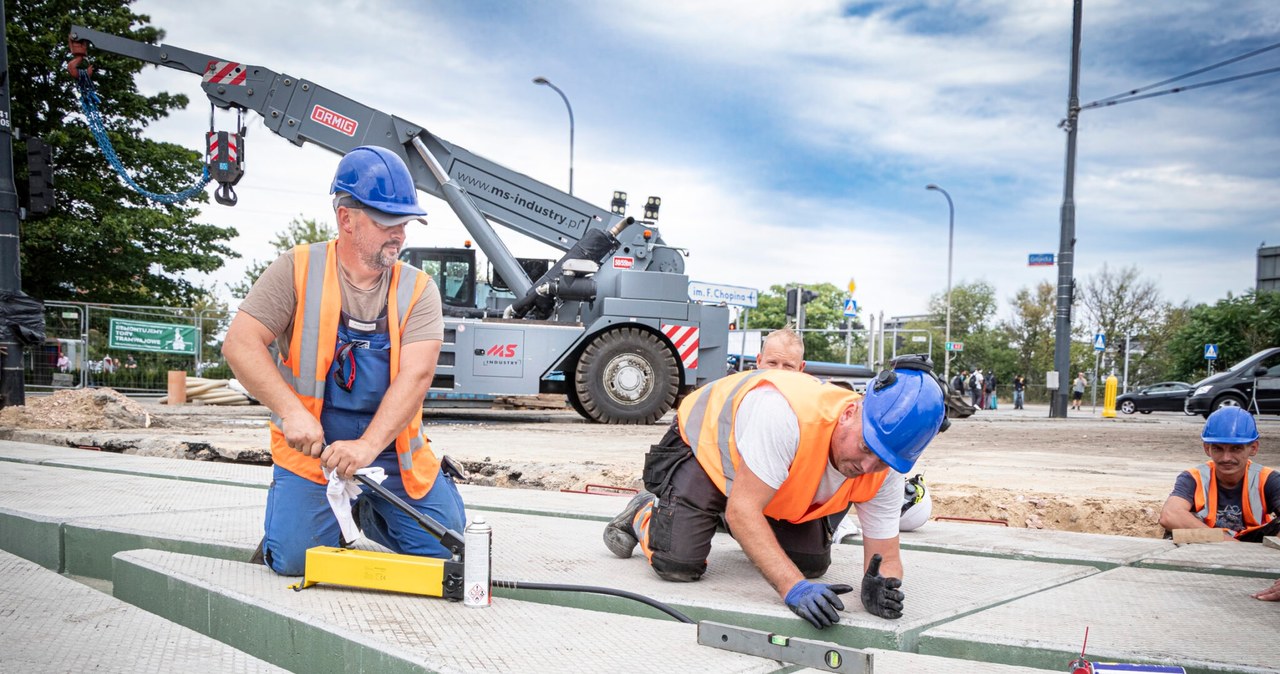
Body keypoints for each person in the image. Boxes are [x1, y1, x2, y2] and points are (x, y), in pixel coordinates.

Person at [223, 145, 465, 576]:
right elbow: (240, 344)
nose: (399, 234)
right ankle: (309, 514)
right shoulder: (295, 269)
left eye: (404, 222)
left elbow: (417, 374)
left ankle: (365, 508)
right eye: (386, 221)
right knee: (298, 561)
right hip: (312, 447)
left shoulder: (418, 289)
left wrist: (368, 447)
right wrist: (292, 413)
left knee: (447, 558)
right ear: (346, 218)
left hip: (390, 450)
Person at [602, 355, 949, 629]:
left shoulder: (886, 466)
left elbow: (885, 556)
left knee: (810, 565)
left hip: (759, 478)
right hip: (705, 447)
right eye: (865, 447)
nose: (867, 465)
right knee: (678, 564)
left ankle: (724, 514)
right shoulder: (786, 417)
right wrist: (791, 589)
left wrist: (881, 586)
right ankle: (644, 515)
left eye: (883, 460)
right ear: (850, 412)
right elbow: (743, 512)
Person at [1157, 407, 1278, 541]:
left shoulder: (1267, 478)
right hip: (1209, 542)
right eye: (1218, 449)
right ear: (1207, 449)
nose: (1226, 458)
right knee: (1176, 530)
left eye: (1236, 449)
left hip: (1255, 542)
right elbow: (1170, 515)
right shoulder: (1194, 477)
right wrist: (1230, 544)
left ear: (1253, 448)